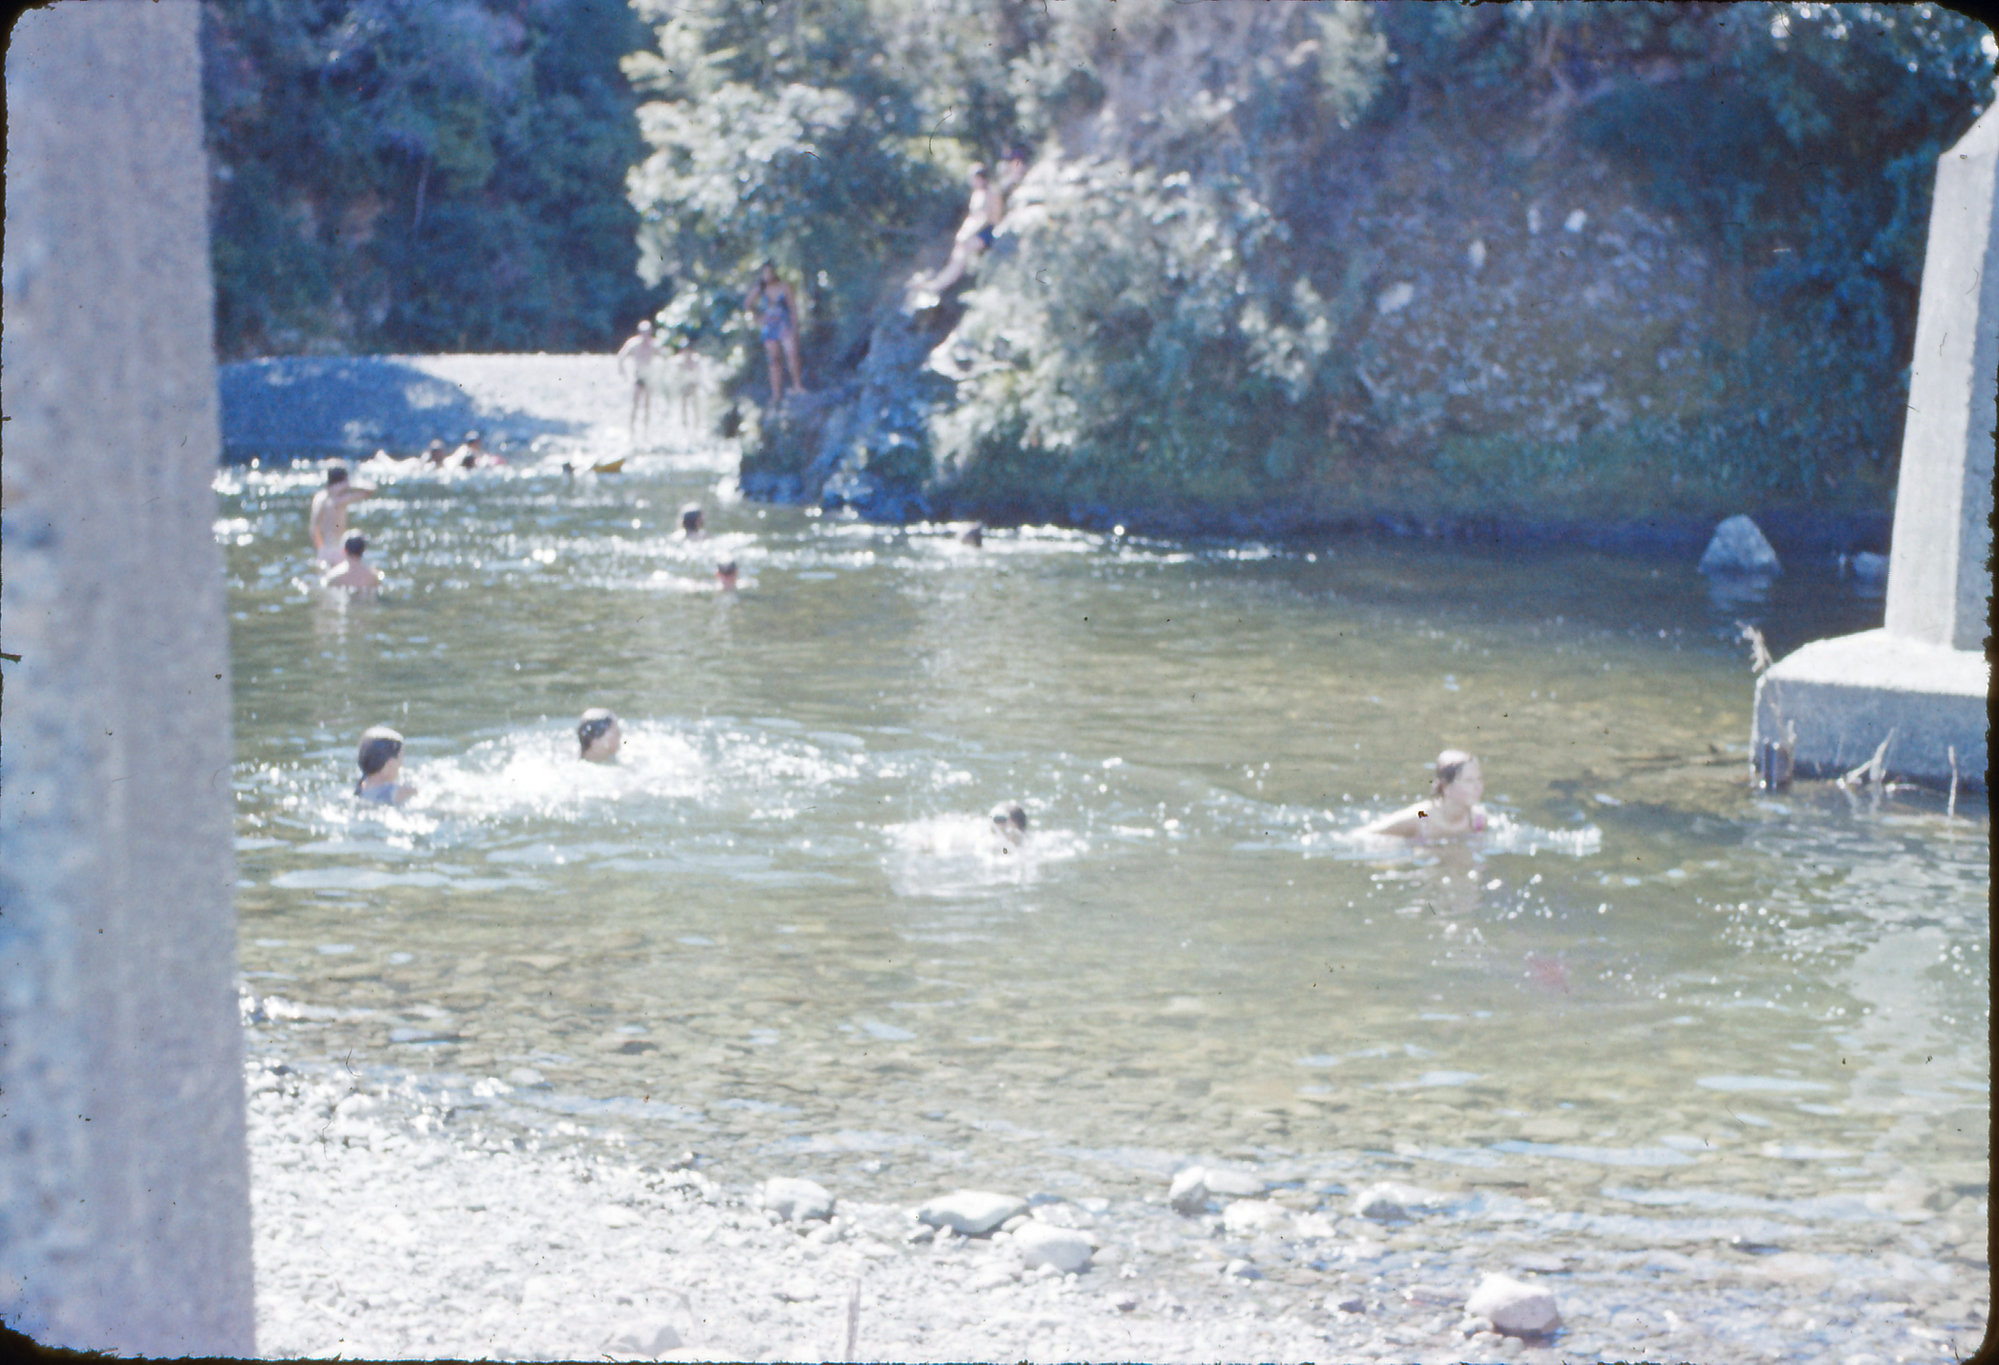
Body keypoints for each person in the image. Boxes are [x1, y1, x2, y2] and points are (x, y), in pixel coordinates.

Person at [908, 164, 1005, 308]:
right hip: (976, 231)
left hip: (989, 231)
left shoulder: (991, 192)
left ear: (980, 178)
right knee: (957, 252)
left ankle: (938, 285)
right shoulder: (977, 194)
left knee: (963, 252)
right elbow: (972, 218)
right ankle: (938, 282)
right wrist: (962, 234)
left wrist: (967, 235)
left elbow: (987, 218)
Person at [1361, 750, 1488, 840]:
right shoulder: (1421, 818)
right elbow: (1366, 834)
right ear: (1445, 787)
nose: (1478, 786)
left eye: (1479, 779)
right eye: (1469, 781)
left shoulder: (1478, 820)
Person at [746, 262, 805, 404]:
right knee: (774, 360)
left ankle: (797, 386)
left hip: (784, 324)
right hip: (769, 326)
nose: (768, 275)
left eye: (770, 272)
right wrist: (757, 318)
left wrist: (795, 326)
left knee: (792, 354)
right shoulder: (760, 289)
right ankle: (776, 394)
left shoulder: (784, 287)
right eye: (765, 273)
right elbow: (748, 304)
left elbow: (792, 307)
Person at [309, 465, 375, 566]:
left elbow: (314, 529)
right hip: (338, 550)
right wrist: (349, 485)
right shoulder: (340, 500)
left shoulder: (319, 498)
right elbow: (371, 490)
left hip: (323, 550)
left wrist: (321, 549)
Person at [616, 319, 662, 441]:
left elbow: (665, 357)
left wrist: (660, 374)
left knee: (647, 406)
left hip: (649, 377)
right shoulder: (633, 344)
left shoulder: (654, 345)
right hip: (638, 376)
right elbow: (621, 356)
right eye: (643, 332)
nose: (646, 335)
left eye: (648, 332)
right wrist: (623, 372)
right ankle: (632, 432)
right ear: (640, 332)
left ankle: (645, 433)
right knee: (635, 405)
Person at [354, 726, 416, 805]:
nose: (401, 765)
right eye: (400, 759)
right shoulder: (399, 792)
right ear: (390, 764)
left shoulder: (359, 789)